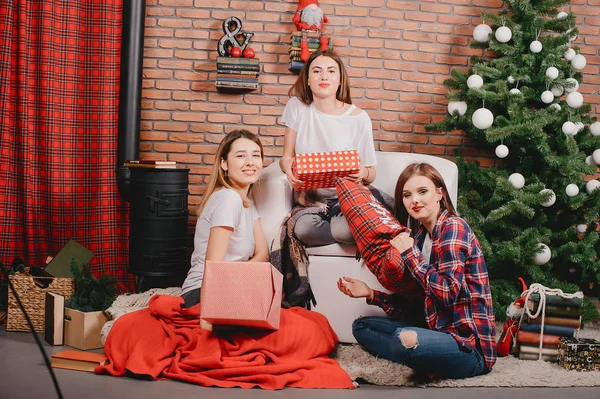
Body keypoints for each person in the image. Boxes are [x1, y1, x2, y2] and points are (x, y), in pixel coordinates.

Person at [337, 163, 496, 379]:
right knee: (362, 327)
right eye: (407, 195)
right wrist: (371, 294)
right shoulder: (420, 236)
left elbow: (447, 294)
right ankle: (424, 354)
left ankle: (422, 353)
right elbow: (416, 302)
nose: (415, 200)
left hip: (467, 346)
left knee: (403, 339)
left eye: (423, 191)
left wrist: (411, 254)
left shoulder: (453, 228)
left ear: (439, 193)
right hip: (433, 329)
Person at [279, 49, 377, 246]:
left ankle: (347, 227)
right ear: (307, 79)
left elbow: (371, 174)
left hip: (347, 196)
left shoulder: (359, 118)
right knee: (304, 230)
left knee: (346, 231)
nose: (324, 76)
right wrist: (288, 167)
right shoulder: (296, 107)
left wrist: (361, 172)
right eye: (316, 71)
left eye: (331, 71)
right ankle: (363, 232)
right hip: (311, 200)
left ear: (340, 80)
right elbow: (286, 157)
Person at [180, 129, 269, 307]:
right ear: (224, 164)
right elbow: (214, 265)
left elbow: (263, 254)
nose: (250, 163)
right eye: (240, 156)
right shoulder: (229, 198)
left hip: (231, 287)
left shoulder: (248, 204)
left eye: (256, 155)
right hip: (204, 292)